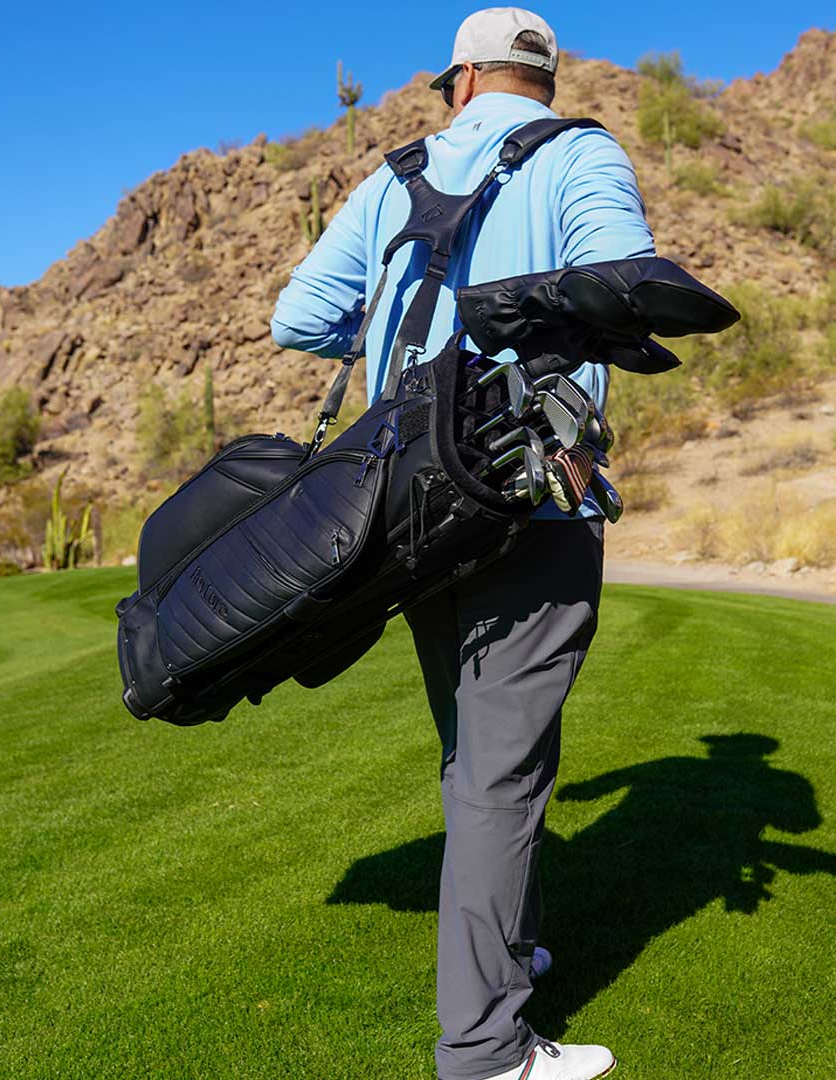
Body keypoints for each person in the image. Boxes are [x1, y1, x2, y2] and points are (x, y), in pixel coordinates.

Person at [271, 9, 655, 1078]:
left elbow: (296, 319)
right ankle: (487, 1050)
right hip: (533, 498)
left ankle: (512, 955)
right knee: (502, 771)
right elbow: (622, 274)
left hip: (409, 511)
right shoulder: (580, 152)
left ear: (461, 80)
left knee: (475, 757)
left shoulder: (391, 177)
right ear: (543, 78)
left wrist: (413, 316)